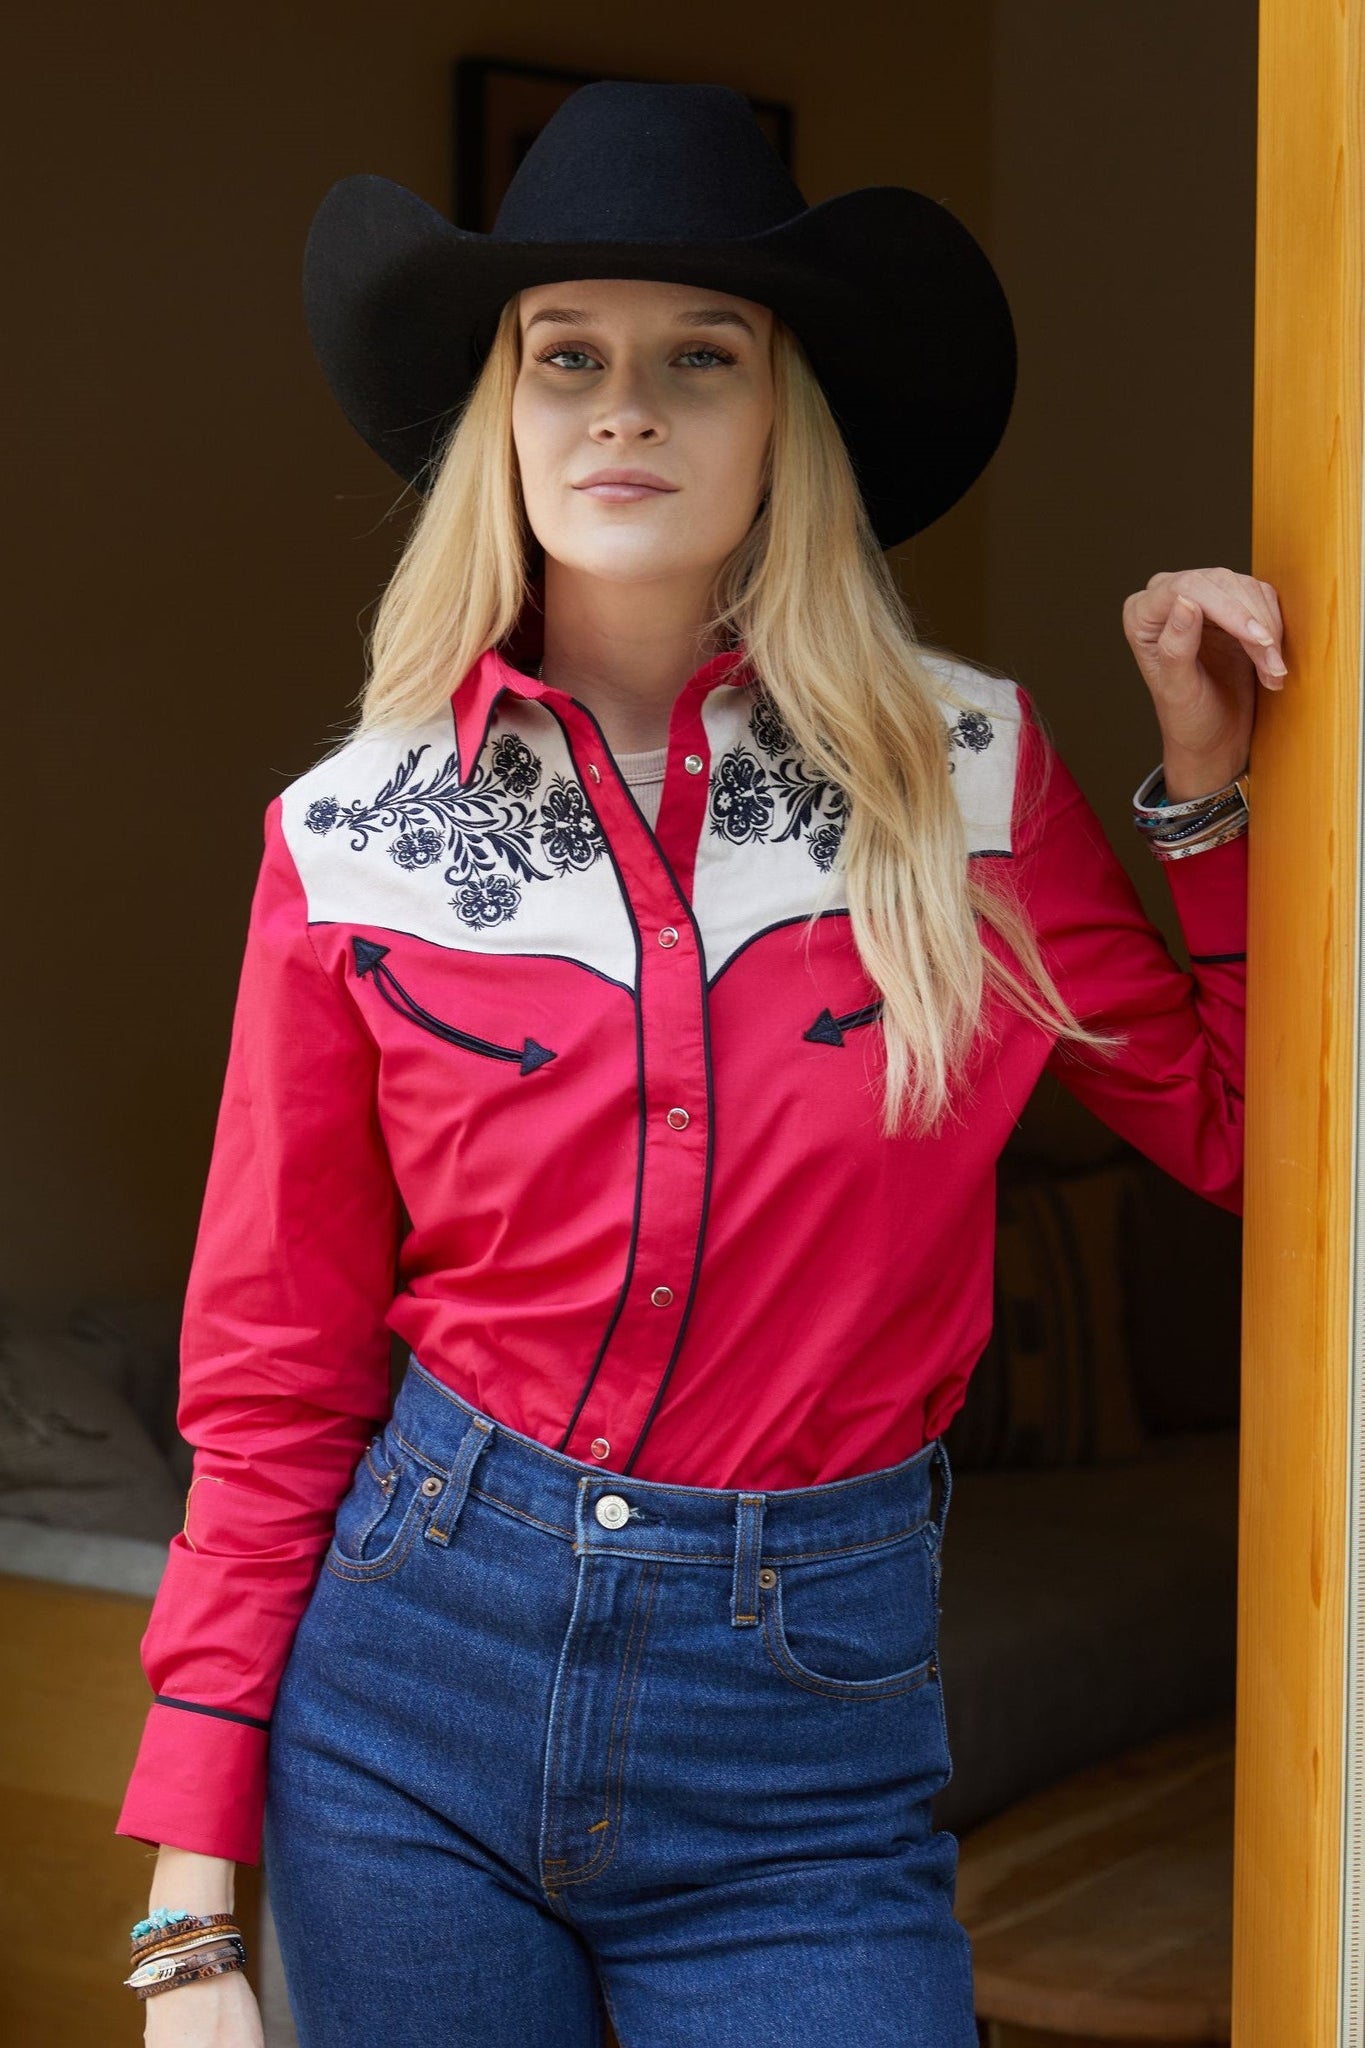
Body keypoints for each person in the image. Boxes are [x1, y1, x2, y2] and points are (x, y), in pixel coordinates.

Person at [114, 79, 1279, 2048]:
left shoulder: (966, 779)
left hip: (800, 1752)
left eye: (695, 357)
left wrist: (1206, 800)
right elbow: (278, 1368)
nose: (621, 407)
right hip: (407, 1703)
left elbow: (1255, 1144)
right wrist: (186, 1925)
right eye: (561, 355)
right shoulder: (350, 838)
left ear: (782, 419)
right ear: (498, 412)